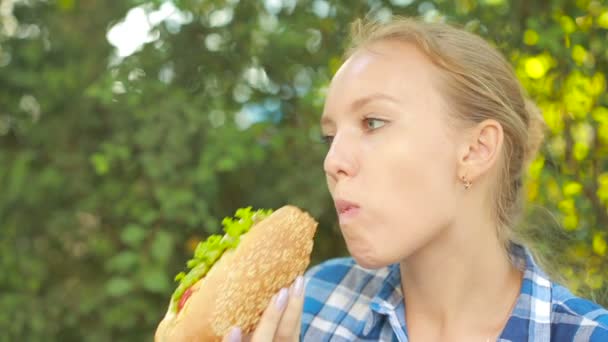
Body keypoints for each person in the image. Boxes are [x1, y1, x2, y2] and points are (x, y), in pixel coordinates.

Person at [222, 16, 608, 342]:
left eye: (372, 122)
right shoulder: (314, 301)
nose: (332, 160)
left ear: (475, 150)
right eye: (330, 137)